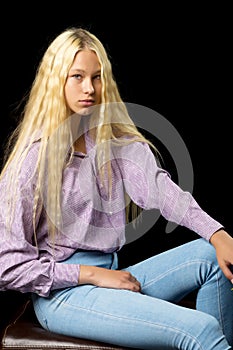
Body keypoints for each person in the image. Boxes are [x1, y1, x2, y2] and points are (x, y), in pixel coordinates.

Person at [0, 27, 232, 350]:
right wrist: (92, 276)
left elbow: (160, 190)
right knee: (200, 329)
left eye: (97, 77)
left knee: (212, 257)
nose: (89, 88)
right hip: (64, 296)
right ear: (57, 83)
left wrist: (218, 233)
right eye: (77, 76)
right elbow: (7, 266)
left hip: (114, 276)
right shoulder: (32, 161)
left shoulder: (111, 143)